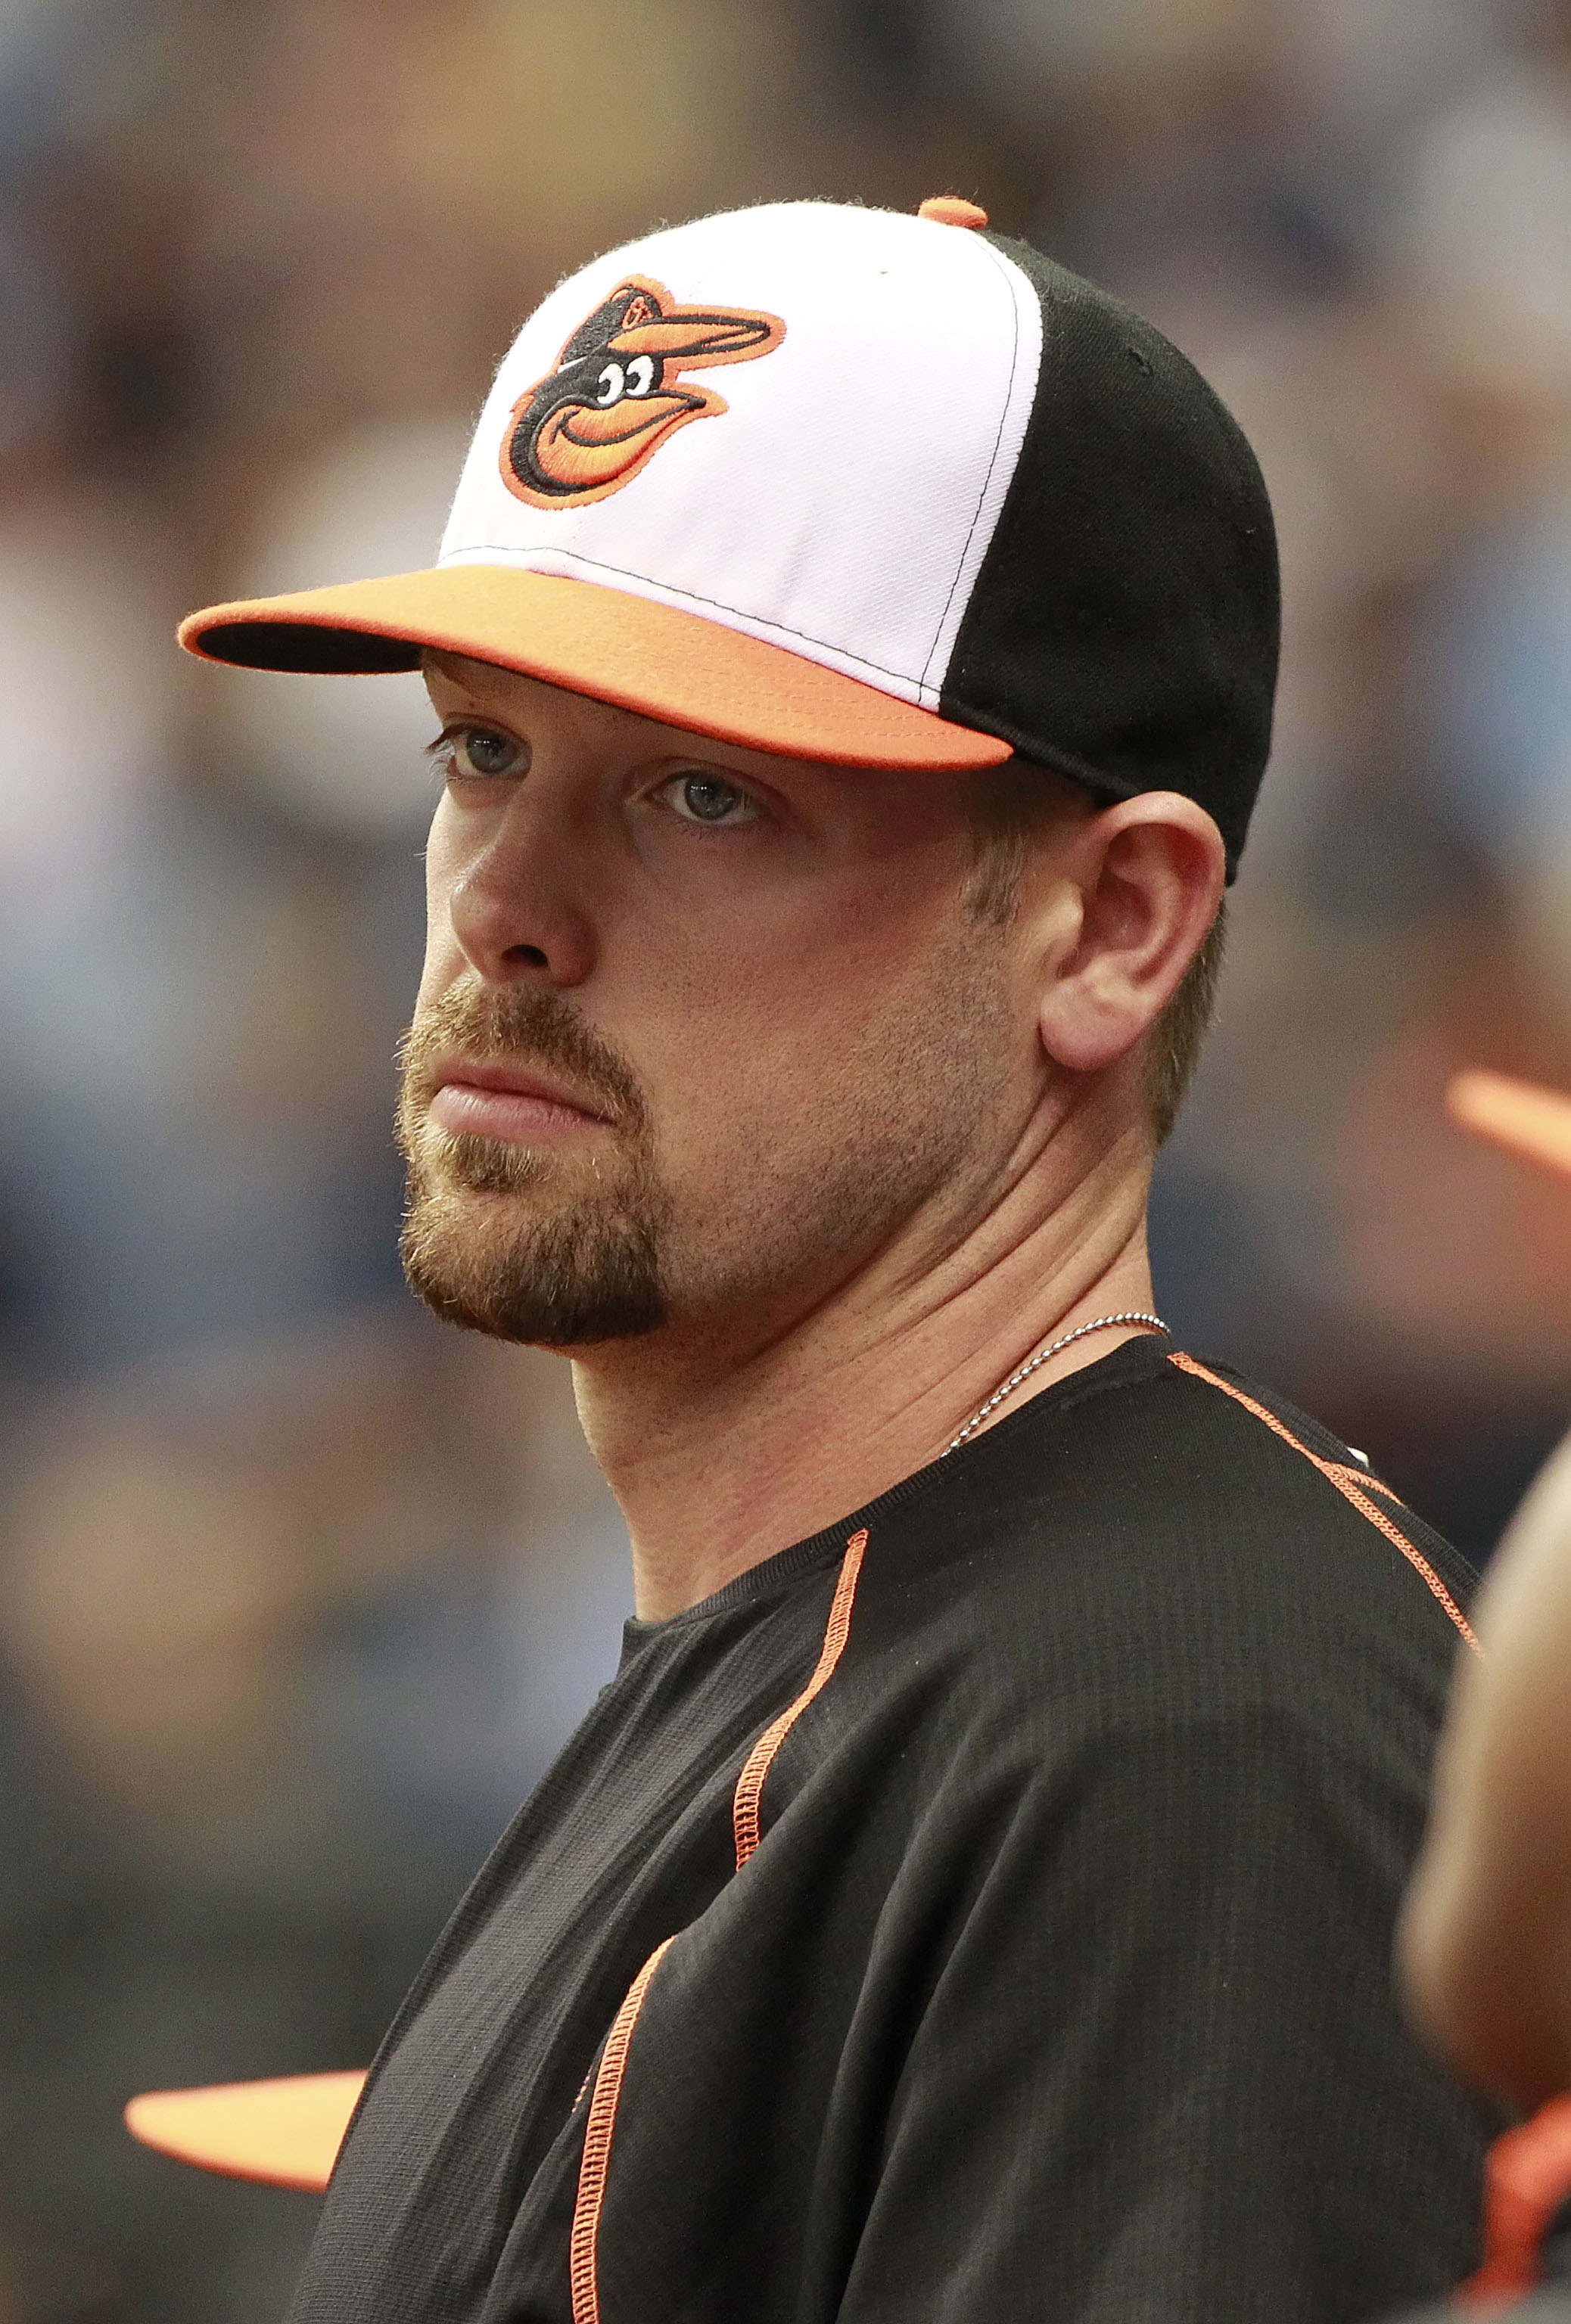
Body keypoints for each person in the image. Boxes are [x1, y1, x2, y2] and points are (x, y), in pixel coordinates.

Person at [164, 194, 1495, 2323]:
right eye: (479, 747)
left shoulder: (1178, 1735)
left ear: (1112, 924)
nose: (502, 896)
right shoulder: (867, 1665)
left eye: (702, 795)